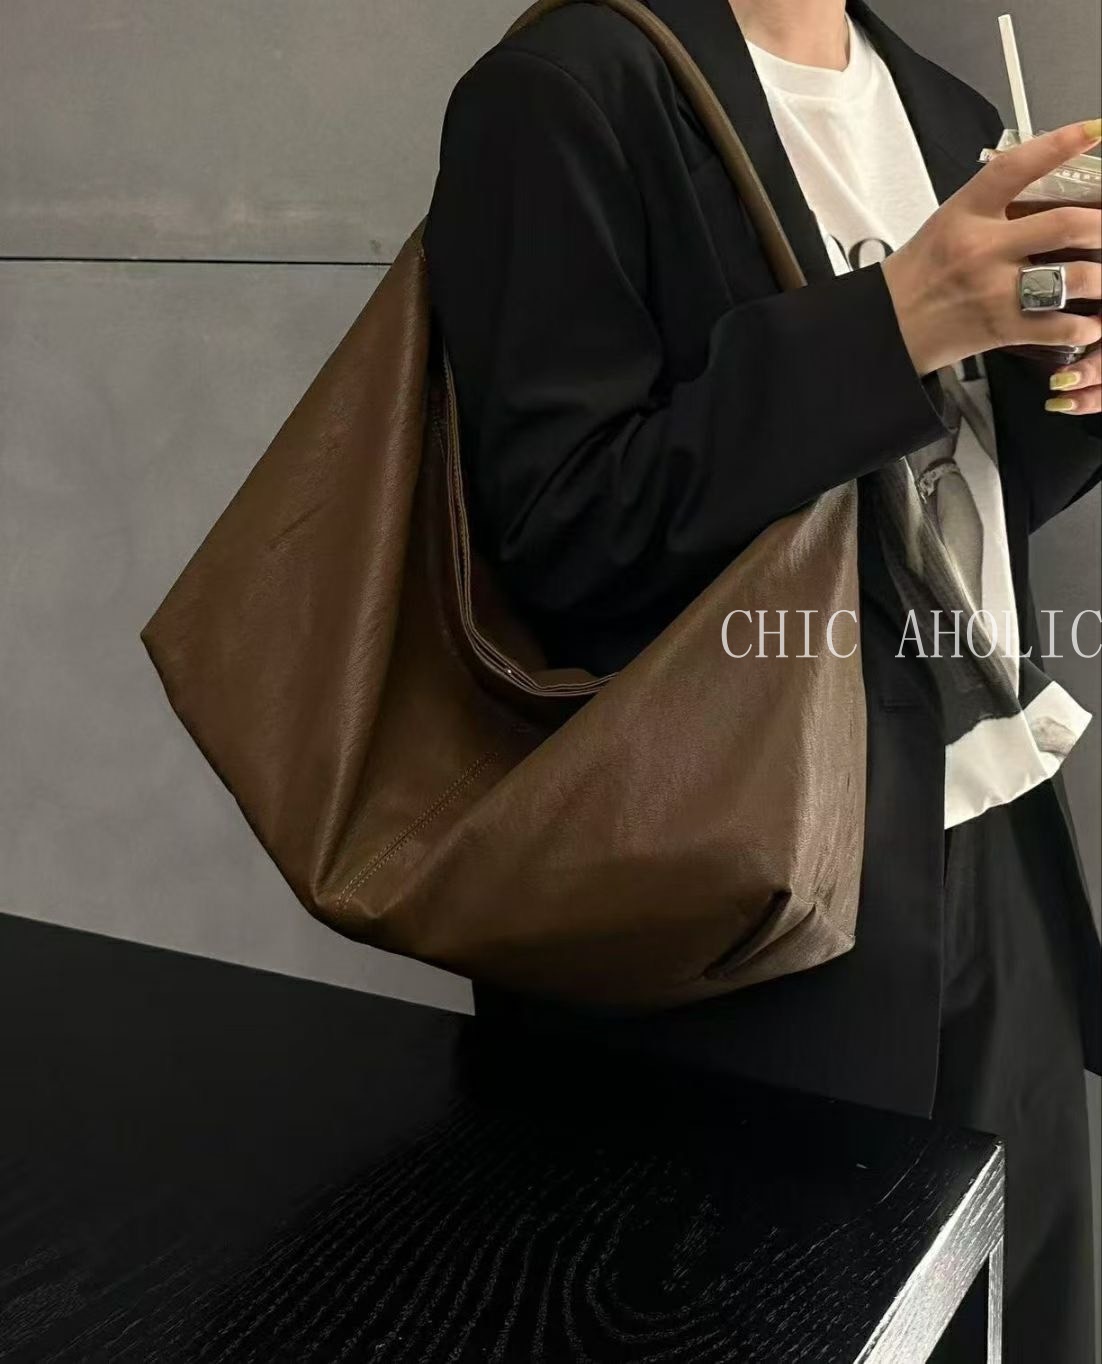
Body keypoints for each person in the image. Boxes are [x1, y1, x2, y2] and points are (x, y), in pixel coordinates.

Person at [422, 0, 1102, 1357]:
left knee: (1019, 1319)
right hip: (751, 888)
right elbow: (564, 531)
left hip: (992, 840)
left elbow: (952, 512)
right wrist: (893, 322)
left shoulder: (948, 112)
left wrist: (1069, 382)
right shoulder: (565, 89)